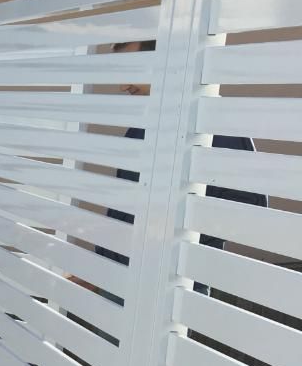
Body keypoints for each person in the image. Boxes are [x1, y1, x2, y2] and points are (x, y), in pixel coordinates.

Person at [93, 40, 267, 290]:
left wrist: (169, 237)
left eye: (130, 72)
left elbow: (247, 207)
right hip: (120, 282)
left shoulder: (215, 124)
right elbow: (122, 209)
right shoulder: (140, 130)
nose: (123, 86)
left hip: (171, 288)